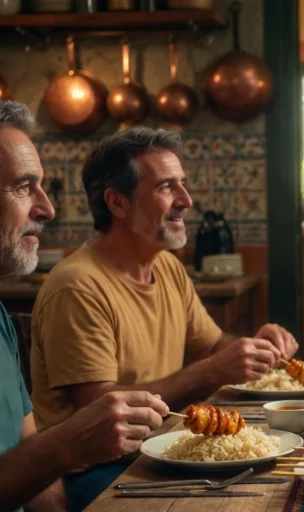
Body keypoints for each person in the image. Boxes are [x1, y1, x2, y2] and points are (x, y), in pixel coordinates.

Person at [29, 127, 299, 509]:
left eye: (183, 185)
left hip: (163, 451)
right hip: (100, 472)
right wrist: (211, 371)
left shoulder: (167, 266)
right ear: (117, 203)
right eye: (166, 187)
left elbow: (212, 345)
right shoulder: (77, 285)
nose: (186, 200)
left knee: (278, 485)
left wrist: (251, 346)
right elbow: (101, 411)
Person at [0, 100, 169, 512]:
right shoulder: (75, 283)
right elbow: (51, 450)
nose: (48, 208)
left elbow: (30, 459)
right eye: (24, 187)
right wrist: (67, 444)